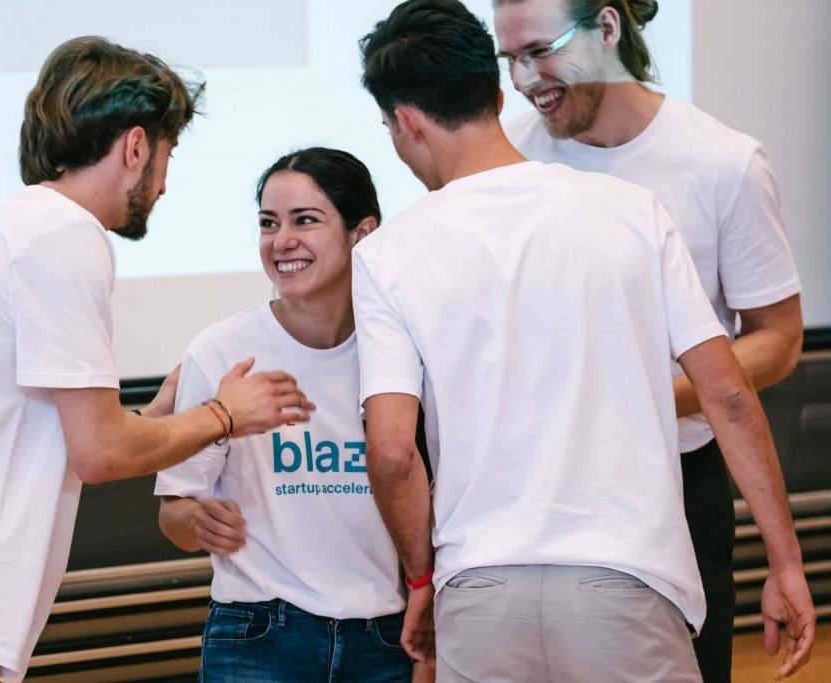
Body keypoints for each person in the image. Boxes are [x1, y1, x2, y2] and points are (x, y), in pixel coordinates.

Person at [354, 1, 815, 681]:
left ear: (408, 123)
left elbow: (393, 453)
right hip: (626, 572)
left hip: (480, 584)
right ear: (493, 90)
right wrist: (787, 562)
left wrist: (420, 579)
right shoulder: (632, 209)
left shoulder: (386, 253)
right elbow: (730, 395)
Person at [0, 36, 314, 683]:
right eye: (169, 155)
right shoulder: (64, 237)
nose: (166, 185)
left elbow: (44, 434)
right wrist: (224, 414)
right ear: (136, 146)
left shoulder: (2, 226)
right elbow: (100, 454)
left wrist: (153, 419)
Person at [491, 1, 804, 679]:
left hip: (677, 486)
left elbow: (778, 340)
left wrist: (653, 396)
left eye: (540, 51)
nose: (523, 80)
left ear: (607, 29)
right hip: (531, 486)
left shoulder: (724, 162)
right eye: (509, 59)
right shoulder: (506, 159)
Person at [155, 147, 427, 682]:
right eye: (268, 223)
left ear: (362, 234)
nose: (281, 241)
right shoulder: (221, 350)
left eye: (305, 220)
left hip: (385, 638)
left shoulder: (401, 351)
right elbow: (174, 514)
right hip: (257, 635)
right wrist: (196, 522)